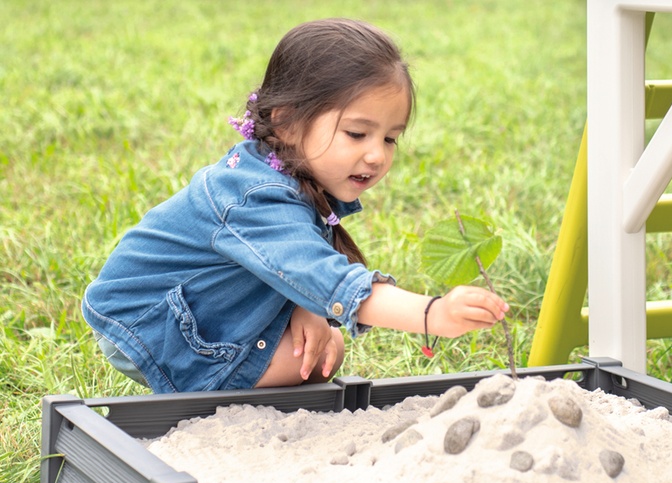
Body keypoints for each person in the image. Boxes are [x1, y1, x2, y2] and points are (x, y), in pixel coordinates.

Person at [81, 18, 509, 394]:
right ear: (286, 122)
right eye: (358, 134)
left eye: (390, 138)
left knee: (326, 349)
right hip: (149, 323)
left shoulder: (287, 168)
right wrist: (435, 313)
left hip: (200, 304)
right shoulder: (256, 195)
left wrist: (302, 304)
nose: (377, 155)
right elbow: (327, 276)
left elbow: (294, 258)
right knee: (311, 360)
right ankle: (210, 391)